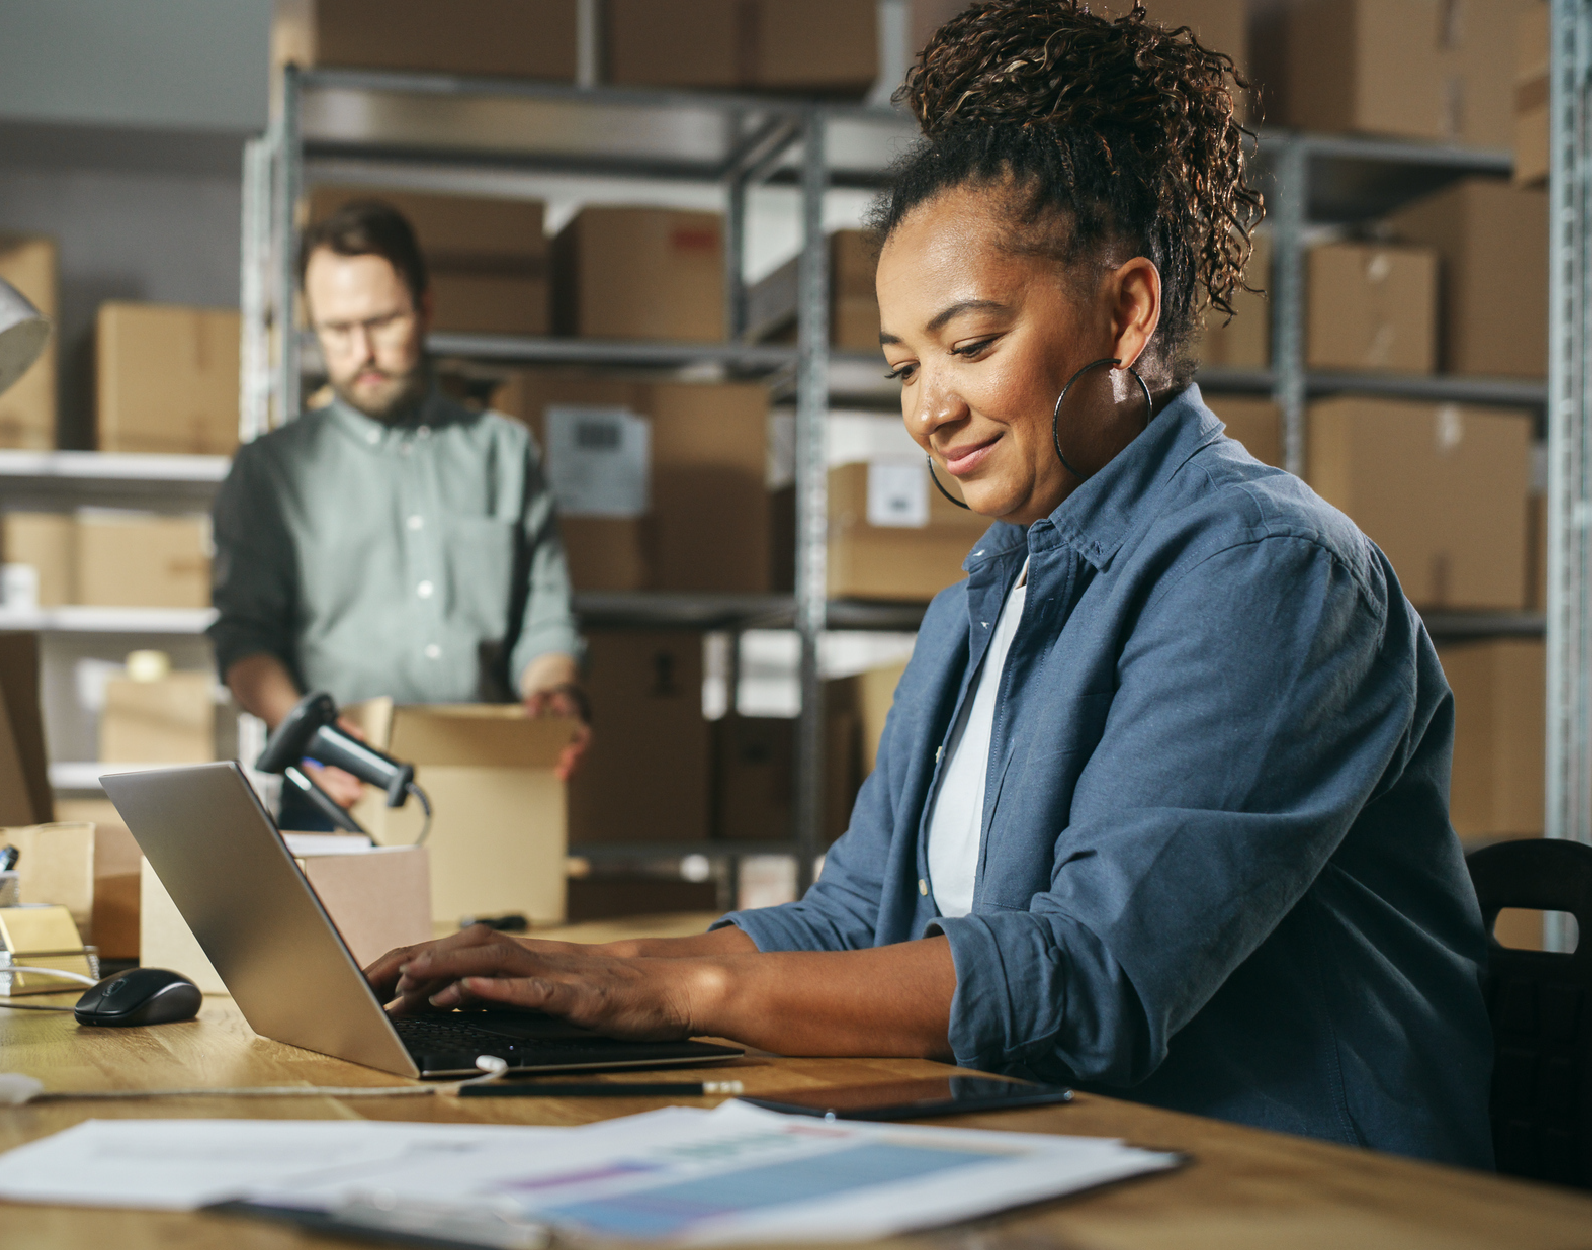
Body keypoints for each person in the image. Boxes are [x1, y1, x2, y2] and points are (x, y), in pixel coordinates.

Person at [366, 0, 1495, 1168]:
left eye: (968, 344)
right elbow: (856, 918)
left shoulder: (1269, 572)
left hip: (1298, 1191)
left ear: (1127, 311)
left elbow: (1091, 978)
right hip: (1065, 1151)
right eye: (903, 365)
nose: (926, 406)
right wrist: (584, 971)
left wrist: (674, 994)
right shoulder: (984, 593)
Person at [211, 200, 591, 817]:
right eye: (336, 330)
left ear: (426, 308)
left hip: (491, 786)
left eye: (381, 322)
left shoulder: (505, 452)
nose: (361, 351)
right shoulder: (269, 471)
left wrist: (554, 692)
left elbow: (545, 620)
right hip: (341, 790)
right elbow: (243, 641)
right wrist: (308, 734)